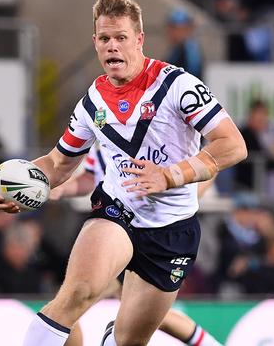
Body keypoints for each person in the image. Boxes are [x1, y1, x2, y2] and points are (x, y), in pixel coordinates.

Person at [0, 0, 246, 346]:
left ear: (139, 40)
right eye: (104, 38)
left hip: (172, 230)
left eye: (121, 38)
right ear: (94, 42)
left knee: (128, 341)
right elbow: (59, 163)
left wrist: (170, 176)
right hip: (117, 212)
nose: (112, 46)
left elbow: (233, 145)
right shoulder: (92, 102)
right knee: (76, 294)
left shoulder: (178, 85)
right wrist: (8, 178)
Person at [50, 143, 222, 346]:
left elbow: (209, 169)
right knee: (72, 303)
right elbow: (89, 177)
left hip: (154, 239)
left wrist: (176, 195)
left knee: (149, 316)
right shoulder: (106, 142)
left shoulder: (164, 143)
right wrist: (61, 189)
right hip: (117, 237)